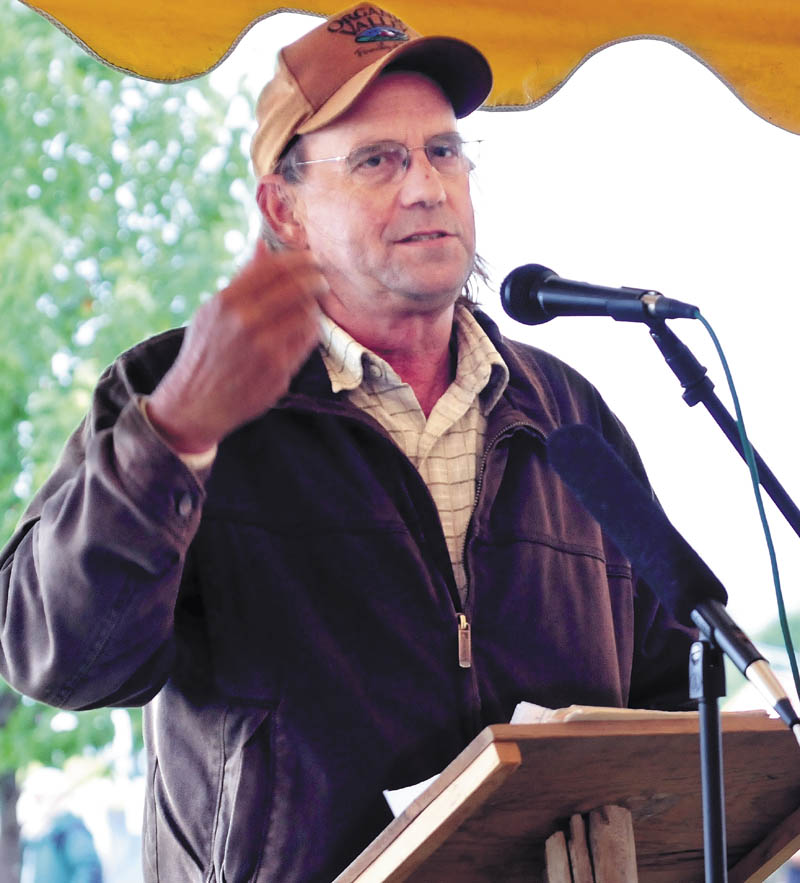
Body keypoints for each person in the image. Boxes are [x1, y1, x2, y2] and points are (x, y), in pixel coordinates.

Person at [0, 5, 696, 880]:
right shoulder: (169, 388)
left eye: (444, 152)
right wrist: (172, 435)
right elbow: (59, 658)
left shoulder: (569, 413)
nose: (425, 187)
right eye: (378, 160)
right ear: (282, 209)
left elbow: (680, 689)